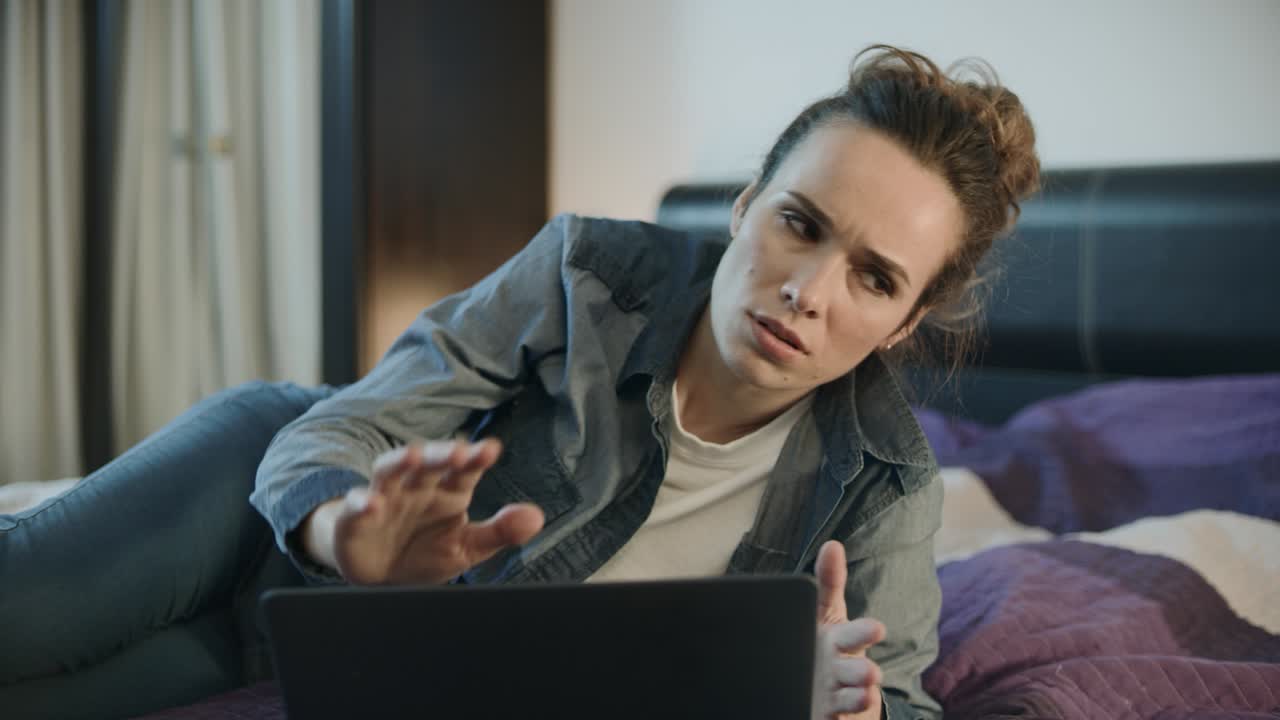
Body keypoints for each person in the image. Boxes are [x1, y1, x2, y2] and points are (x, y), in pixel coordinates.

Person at [0, 45, 1039, 720]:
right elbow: (340, 428)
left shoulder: (886, 485)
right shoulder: (586, 273)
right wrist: (342, 533)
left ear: (905, 322)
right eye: (798, 224)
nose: (808, 292)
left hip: (311, 660)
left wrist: (835, 711)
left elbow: (893, 697)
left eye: (871, 279)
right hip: (244, 506)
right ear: (743, 207)